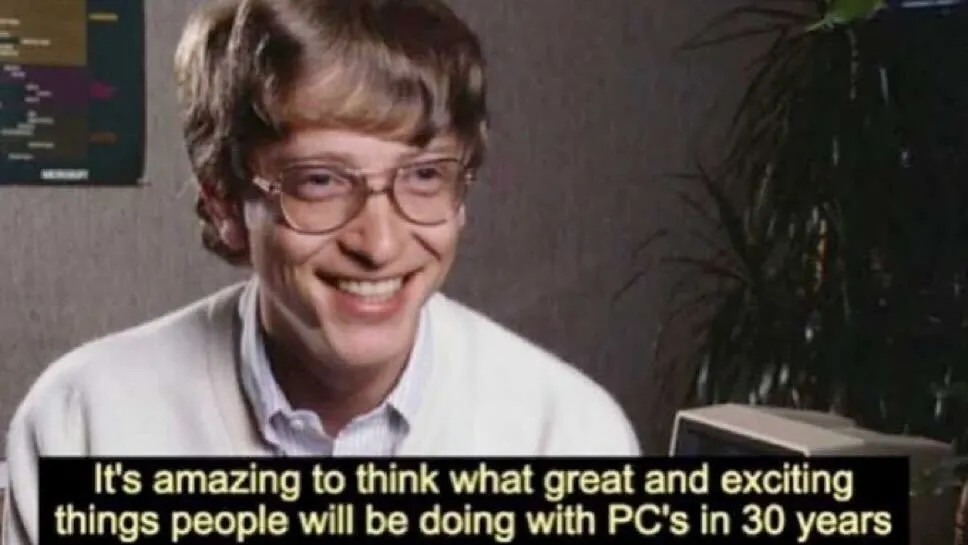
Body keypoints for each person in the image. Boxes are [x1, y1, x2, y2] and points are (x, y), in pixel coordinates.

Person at [2, 0, 639, 542]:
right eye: (320, 181)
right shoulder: (81, 424)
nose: (380, 244)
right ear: (226, 205)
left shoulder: (570, 437)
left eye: (424, 175)